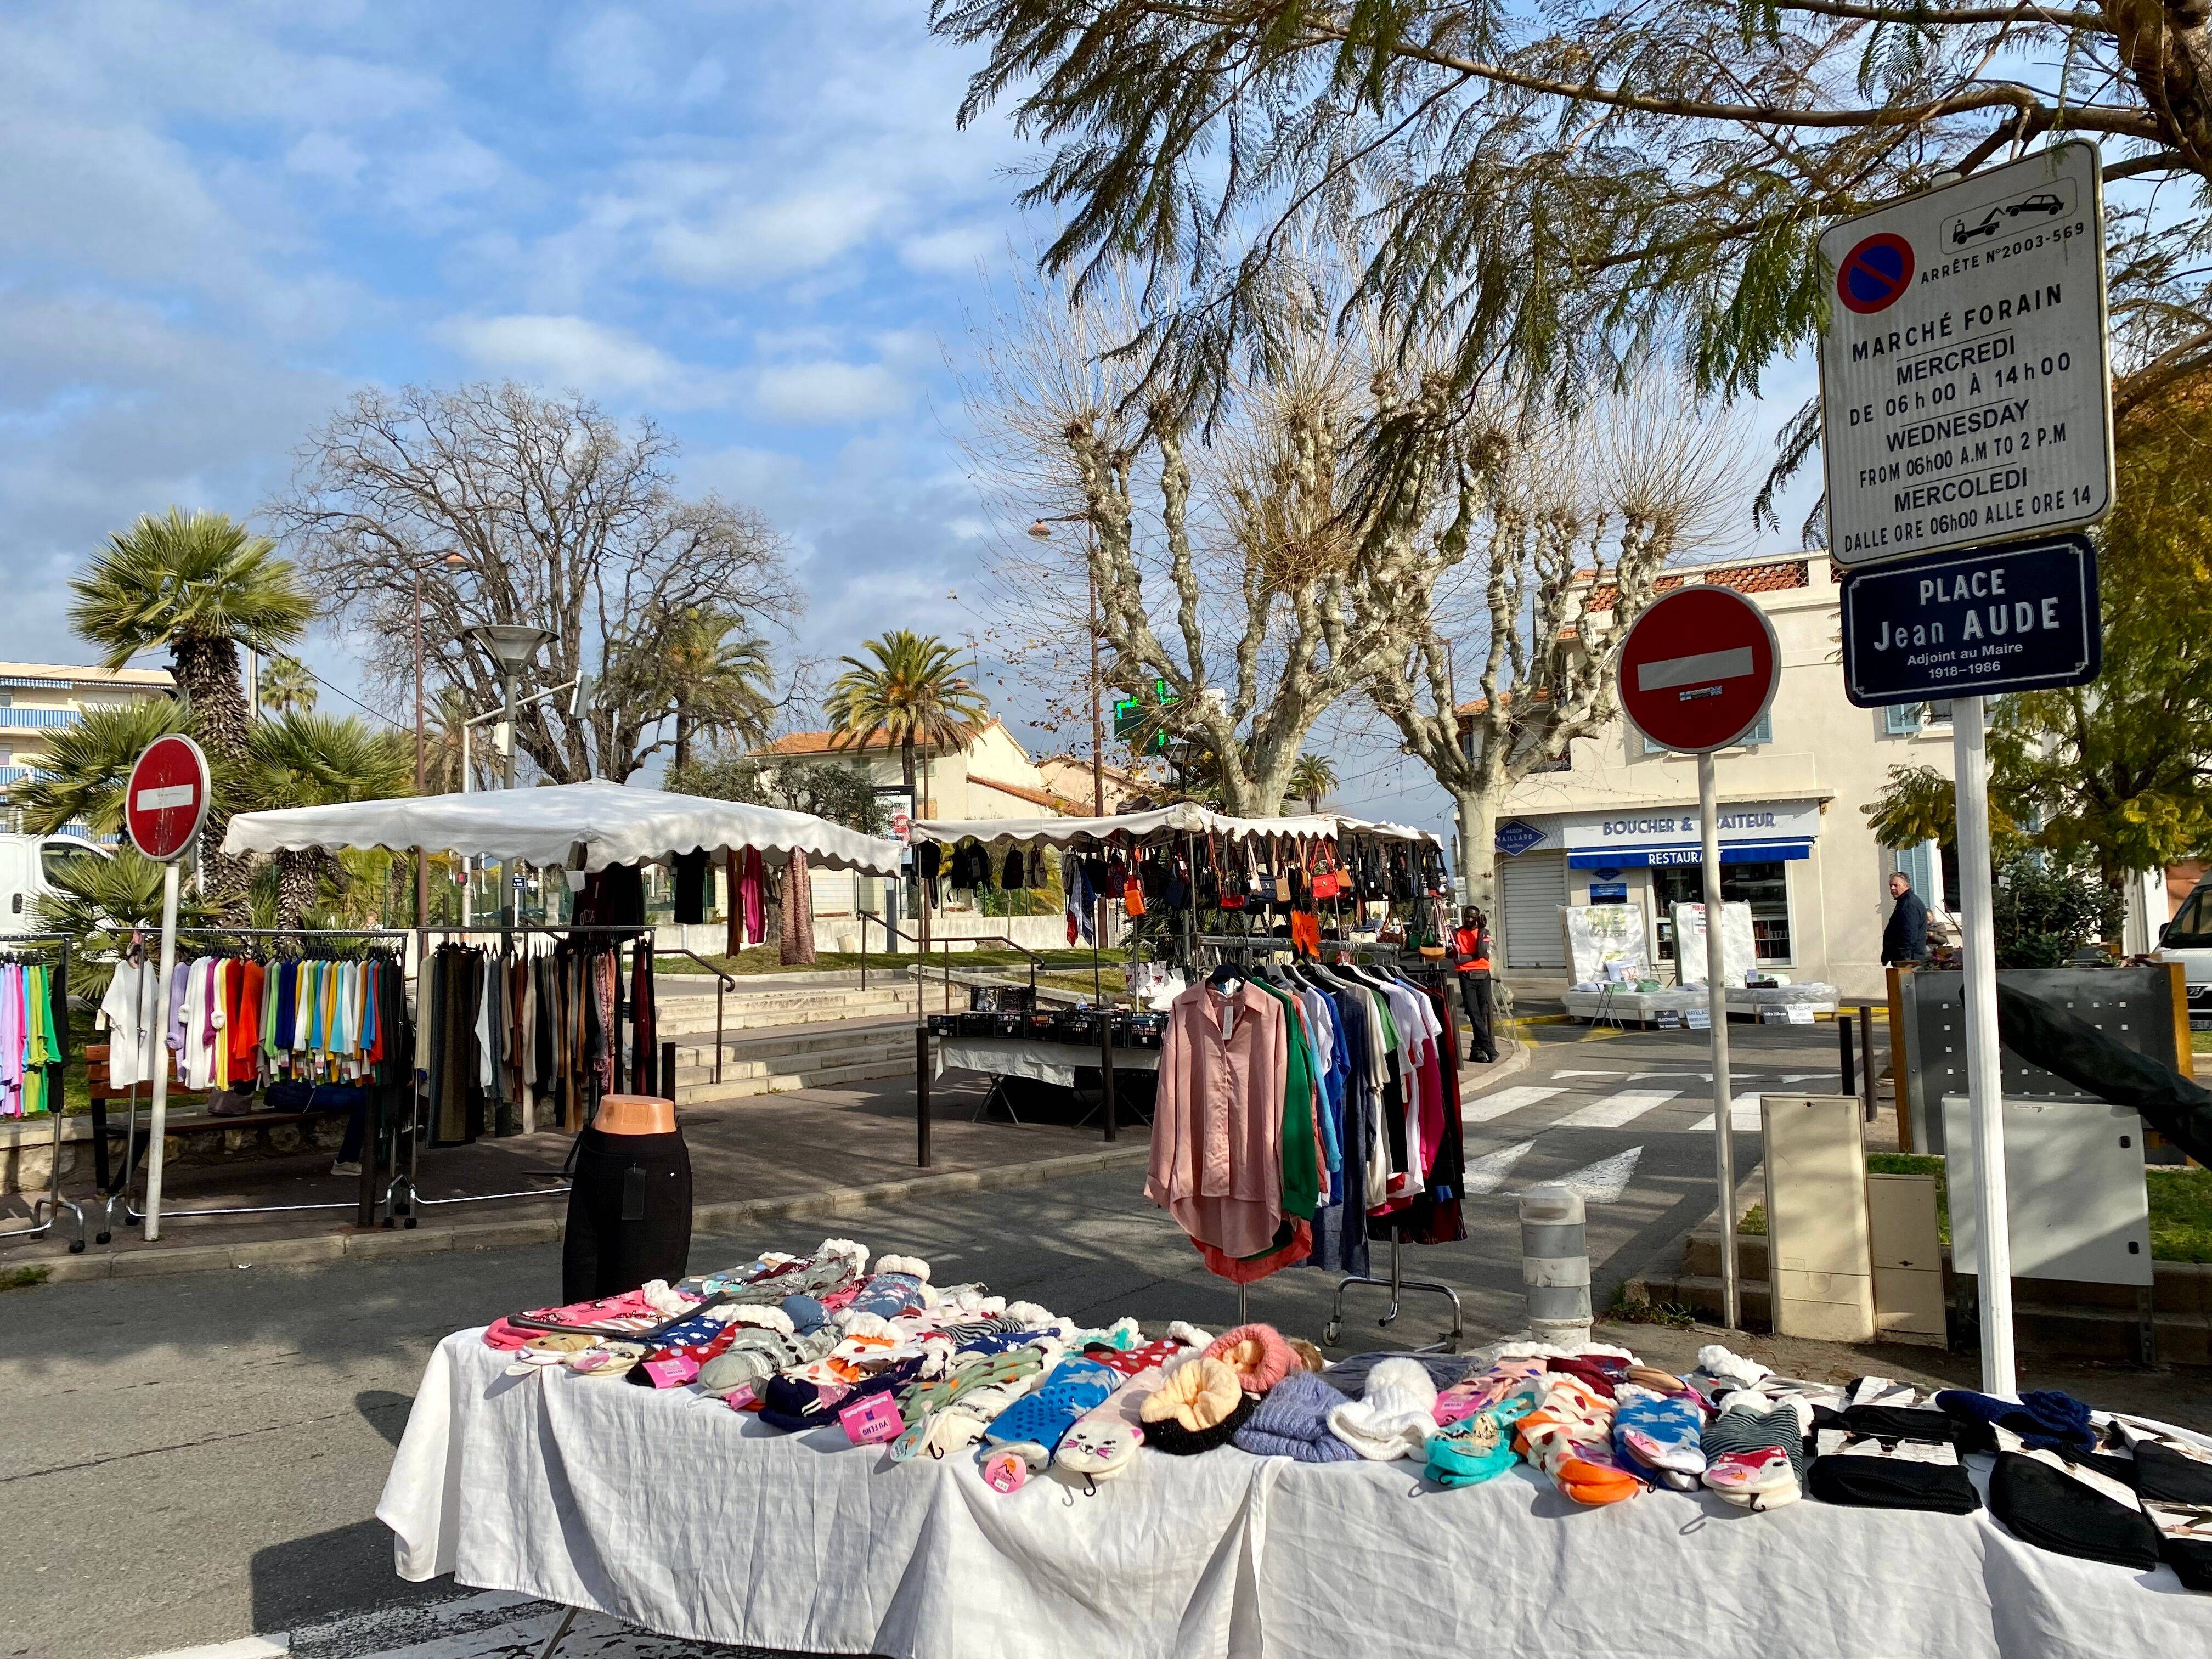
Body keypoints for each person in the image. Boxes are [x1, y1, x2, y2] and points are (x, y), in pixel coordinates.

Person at [1452, 906, 1498, 1064]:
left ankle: (1477, 1050)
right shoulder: (1456, 933)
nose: (1470, 919)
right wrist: (1475, 957)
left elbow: (1482, 952)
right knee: (1473, 1012)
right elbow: (1458, 959)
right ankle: (1488, 1046)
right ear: (1464, 916)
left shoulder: (1485, 933)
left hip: (1484, 975)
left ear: (1478, 918)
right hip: (1466, 976)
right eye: (1468, 916)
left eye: (1473, 917)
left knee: (1483, 1012)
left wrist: (1481, 931)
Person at [1881, 871, 1929, 967]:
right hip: (1906, 958)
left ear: (1906, 886)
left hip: (1909, 959)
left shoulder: (1909, 904)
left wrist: (1904, 961)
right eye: (1891, 886)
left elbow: (1909, 934)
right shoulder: (1904, 902)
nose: (1892, 888)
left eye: (1896, 885)